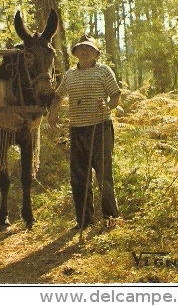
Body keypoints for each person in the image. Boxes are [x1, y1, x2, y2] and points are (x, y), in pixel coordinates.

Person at [48, 34, 121, 230]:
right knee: (79, 177)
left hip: (101, 128)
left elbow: (115, 96)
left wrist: (107, 105)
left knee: (104, 175)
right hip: (78, 130)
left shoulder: (104, 71)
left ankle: (110, 217)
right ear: (76, 53)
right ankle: (84, 220)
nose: (84, 51)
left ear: (96, 53)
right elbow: (58, 96)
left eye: (88, 49)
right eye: (81, 48)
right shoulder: (70, 74)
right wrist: (53, 112)